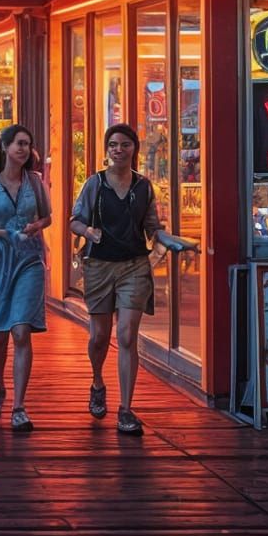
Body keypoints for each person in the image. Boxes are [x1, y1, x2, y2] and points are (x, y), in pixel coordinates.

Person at [70, 122, 195, 435]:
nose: (119, 150)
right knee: (99, 337)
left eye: (125, 145)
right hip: (99, 265)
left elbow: (152, 226)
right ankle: (98, 381)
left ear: (134, 149)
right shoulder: (94, 184)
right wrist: (87, 231)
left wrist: (171, 240)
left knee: (126, 335)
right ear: (106, 149)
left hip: (134, 266)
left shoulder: (143, 186)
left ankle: (126, 409)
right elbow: (74, 220)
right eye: (113, 144)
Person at [0, 124, 52, 431]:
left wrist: (36, 226)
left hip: (29, 259)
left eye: (27, 145)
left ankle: (19, 405)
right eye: (18, 143)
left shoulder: (35, 181)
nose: (23, 149)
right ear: (4, 146)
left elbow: (47, 216)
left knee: (20, 331)